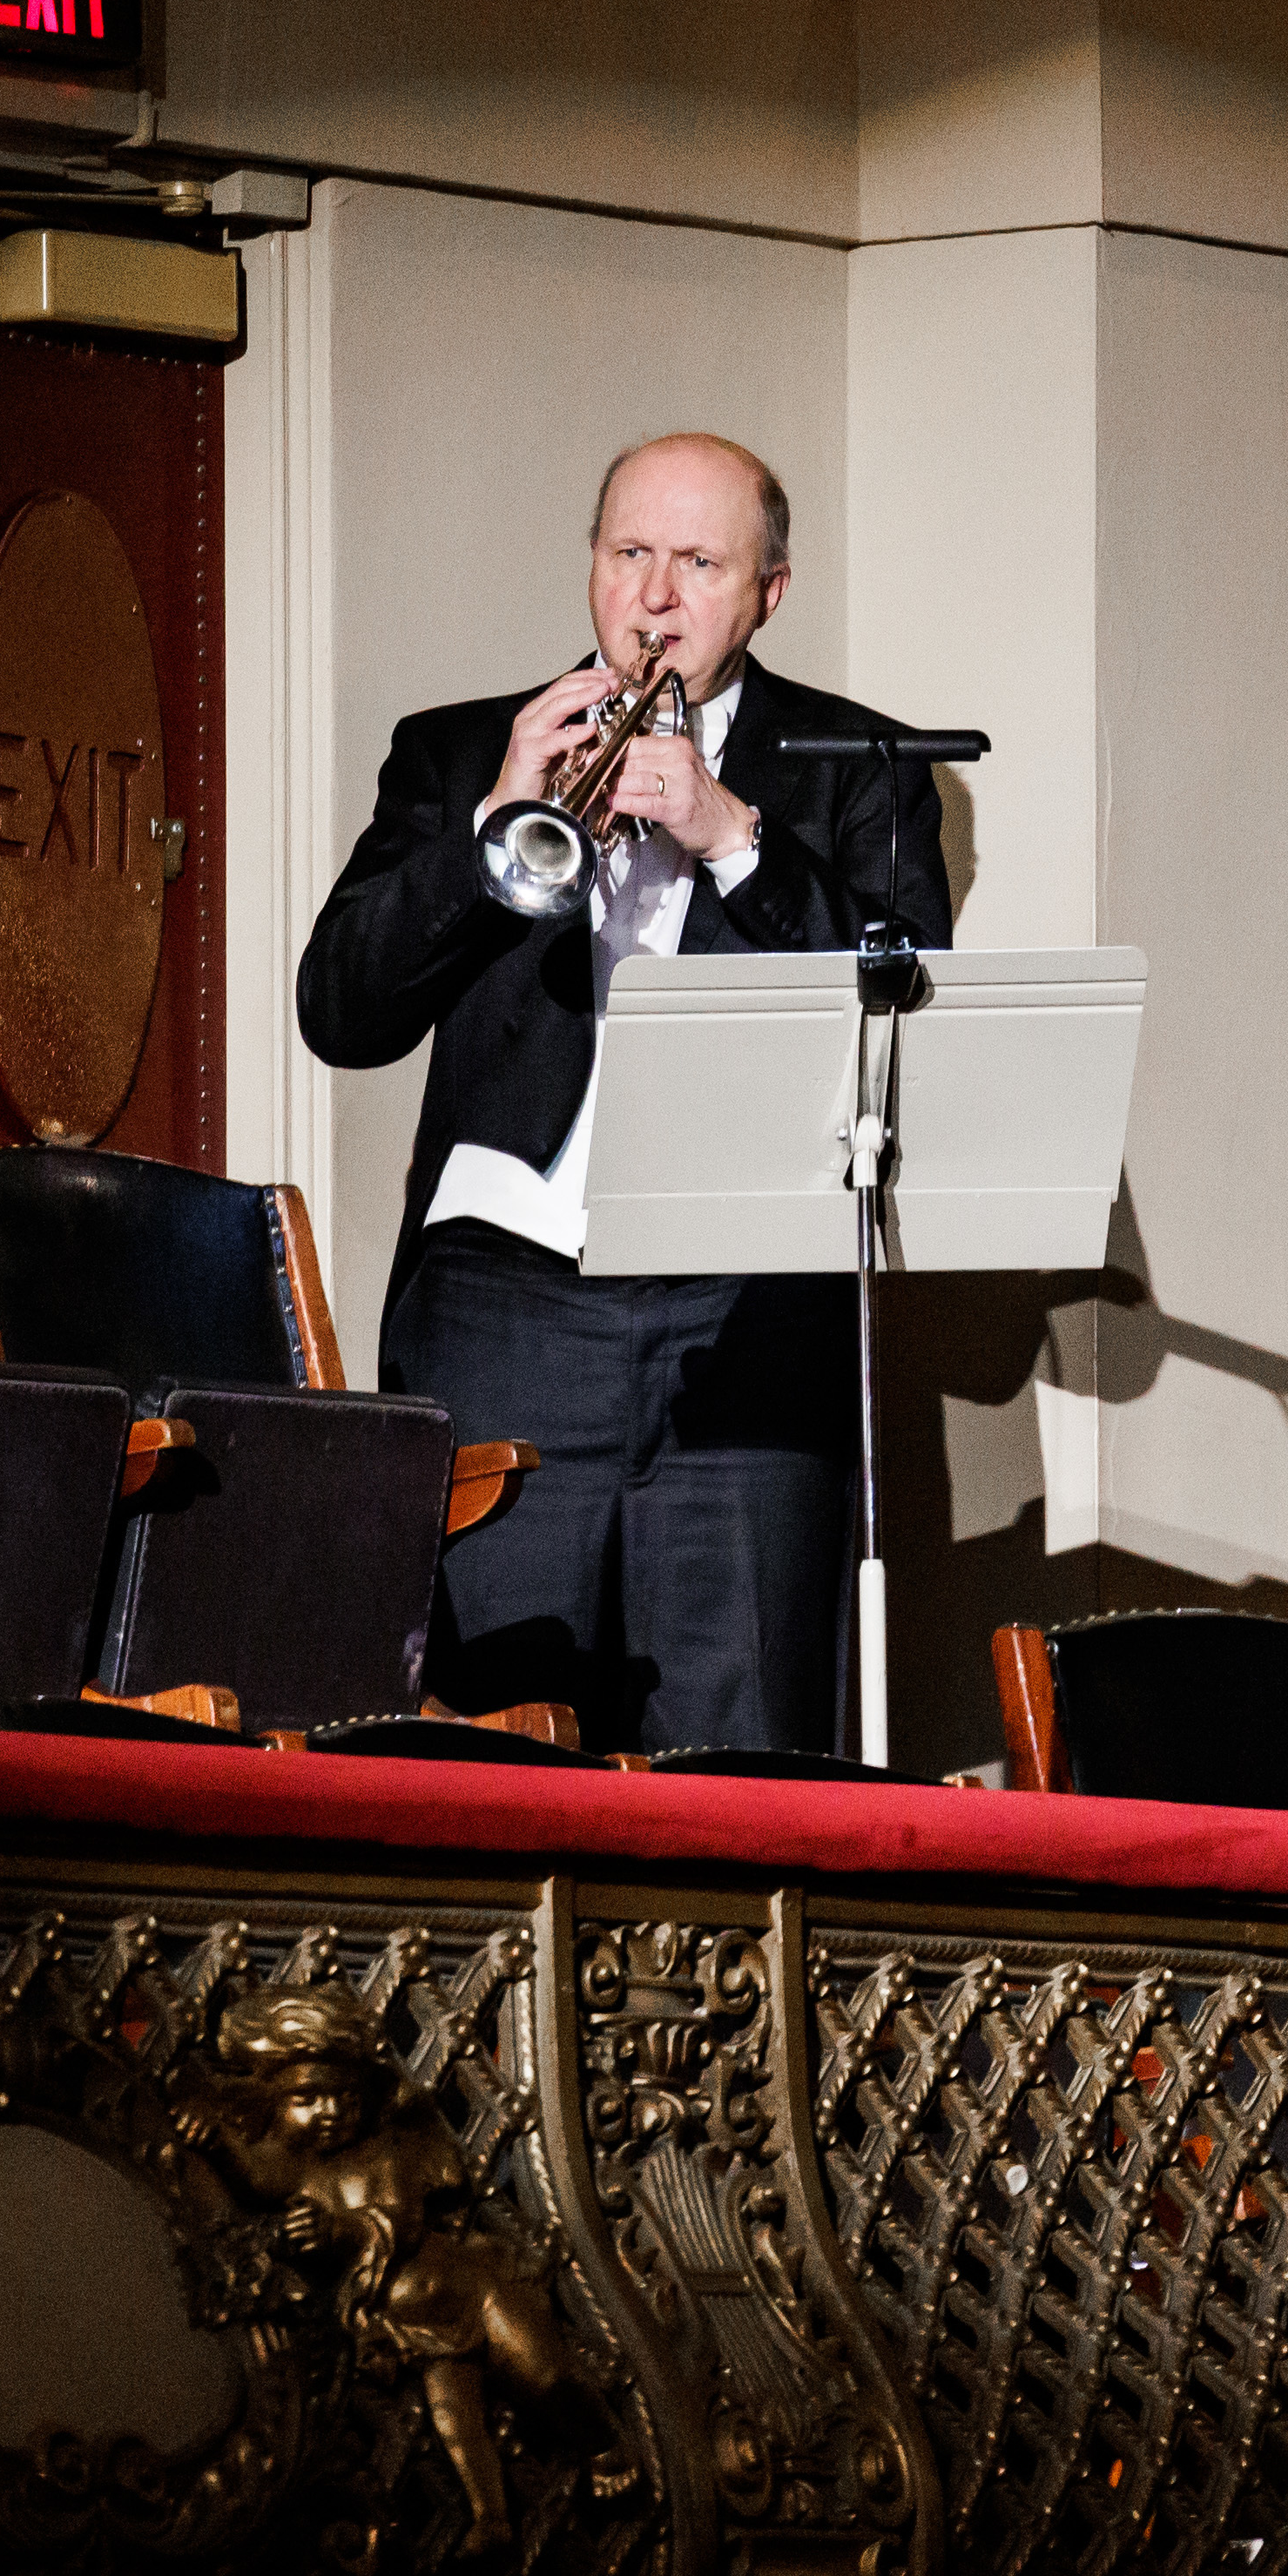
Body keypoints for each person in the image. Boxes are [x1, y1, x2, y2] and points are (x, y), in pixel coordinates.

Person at [295, 431, 954, 1755]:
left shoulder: (858, 769)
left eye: (697, 563)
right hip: (505, 1303)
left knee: (744, 1746)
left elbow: (909, 1021)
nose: (652, 598)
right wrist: (491, 833)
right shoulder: (458, 751)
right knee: (494, 1740)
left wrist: (731, 838)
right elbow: (341, 1012)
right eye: (628, 554)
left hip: (746, 1318)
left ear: (767, 593)